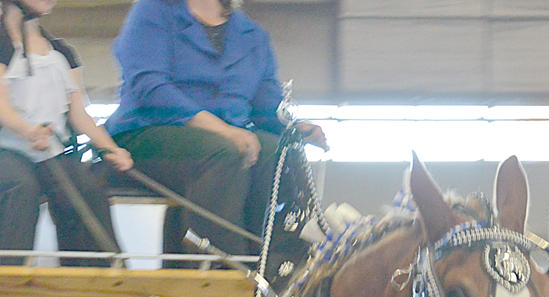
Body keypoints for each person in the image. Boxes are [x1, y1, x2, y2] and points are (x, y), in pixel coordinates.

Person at [104, 0, 327, 265]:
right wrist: (221, 129)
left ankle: (266, 262)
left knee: (276, 153)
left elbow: (266, 104)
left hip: (226, 139)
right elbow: (149, 85)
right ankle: (219, 268)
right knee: (223, 152)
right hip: (148, 131)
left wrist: (295, 128)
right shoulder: (154, 11)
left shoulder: (253, 35)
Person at [0, 0, 133, 266]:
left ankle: (102, 284)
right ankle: (9, 280)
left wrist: (111, 148)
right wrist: (28, 131)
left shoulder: (62, 52)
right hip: (7, 149)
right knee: (20, 187)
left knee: (86, 189)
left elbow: (78, 114)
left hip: (50, 150)